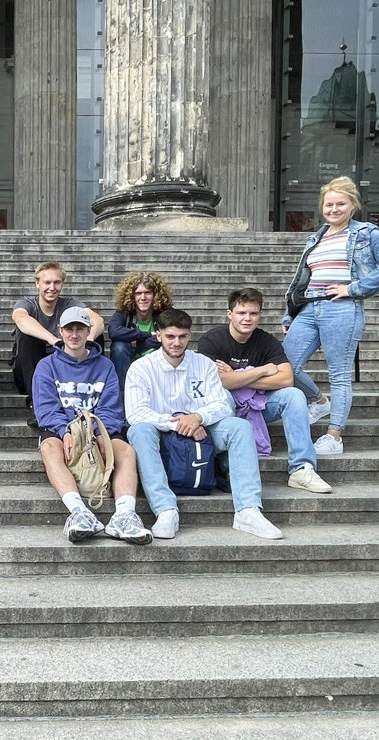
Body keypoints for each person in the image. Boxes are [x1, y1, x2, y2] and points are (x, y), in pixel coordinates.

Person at [125, 309, 283, 540]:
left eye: (182, 336)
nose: (176, 342)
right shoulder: (141, 367)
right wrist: (179, 423)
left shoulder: (204, 364)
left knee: (239, 427)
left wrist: (198, 417)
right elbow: (136, 413)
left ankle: (248, 510)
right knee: (139, 431)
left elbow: (222, 404)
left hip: (203, 432)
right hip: (163, 434)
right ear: (158, 336)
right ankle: (165, 509)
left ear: (190, 336)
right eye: (170, 336)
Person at [33, 306, 152, 545]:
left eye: (80, 329)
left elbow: (110, 407)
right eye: (69, 329)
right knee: (49, 448)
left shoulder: (105, 366)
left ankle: (125, 515)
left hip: (99, 427)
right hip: (62, 427)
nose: (74, 335)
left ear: (89, 332)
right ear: (61, 331)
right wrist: (66, 431)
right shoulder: (46, 366)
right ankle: (79, 512)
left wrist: (98, 435)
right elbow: (46, 409)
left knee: (126, 451)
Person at [198, 288, 331, 494]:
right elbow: (218, 382)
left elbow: (286, 379)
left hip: (258, 406)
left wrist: (237, 376)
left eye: (253, 313)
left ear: (260, 315)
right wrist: (261, 370)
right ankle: (230, 466)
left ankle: (301, 468)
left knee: (294, 395)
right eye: (241, 313)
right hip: (225, 410)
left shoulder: (265, 341)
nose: (247, 319)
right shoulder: (212, 340)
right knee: (224, 394)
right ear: (229, 314)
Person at [283, 176, 379, 456]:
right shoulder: (317, 236)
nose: (334, 209)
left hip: (342, 308)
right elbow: (301, 280)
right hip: (309, 307)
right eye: (329, 204)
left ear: (352, 205)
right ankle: (318, 400)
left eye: (341, 203)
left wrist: (353, 288)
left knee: (339, 375)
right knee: (285, 365)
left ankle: (334, 436)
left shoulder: (366, 233)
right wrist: (290, 315)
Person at [12, 261, 104, 423]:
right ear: (37, 284)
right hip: (31, 368)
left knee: (95, 334)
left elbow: (98, 320)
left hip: (65, 366)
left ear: (62, 284)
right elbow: (20, 319)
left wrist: (85, 342)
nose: (52, 287)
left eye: (57, 282)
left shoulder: (69, 304)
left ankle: (91, 398)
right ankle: (37, 402)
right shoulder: (27, 304)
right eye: (47, 282)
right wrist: (54, 340)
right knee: (25, 336)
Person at [108, 271, 173, 388]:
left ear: (155, 295)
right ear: (131, 296)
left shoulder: (164, 314)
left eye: (147, 293)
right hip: (126, 363)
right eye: (138, 293)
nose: (143, 298)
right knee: (119, 347)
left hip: (155, 365)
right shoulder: (123, 314)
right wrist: (147, 335)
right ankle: (122, 395)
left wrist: (135, 343)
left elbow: (168, 337)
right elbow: (113, 332)